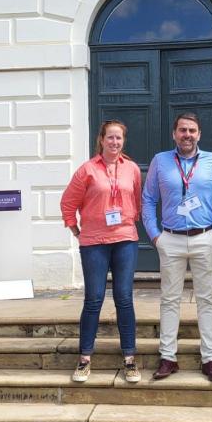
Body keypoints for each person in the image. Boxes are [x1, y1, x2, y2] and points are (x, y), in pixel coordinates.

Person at [142, 112, 212, 382]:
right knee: (169, 300)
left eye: (192, 130)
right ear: (174, 134)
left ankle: (210, 358)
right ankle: (168, 357)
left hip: (205, 238)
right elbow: (147, 200)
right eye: (182, 130)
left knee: (206, 300)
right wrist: (156, 236)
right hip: (171, 238)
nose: (187, 135)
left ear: (199, 134)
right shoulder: (160, 161)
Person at [61, 120, 142, 384]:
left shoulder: (131, 169)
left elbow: (137, 200)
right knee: (94, 299)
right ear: (101, 140)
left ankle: (129, 358)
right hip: (94, 242)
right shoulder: (87, 170)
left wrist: (129, 219)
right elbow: (68, 202)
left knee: (124, 298)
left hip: (125, 240)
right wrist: (75, 229)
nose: (115, 143)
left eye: (119, 138)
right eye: (110, 138)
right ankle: (85, 357)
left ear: (123, 141)